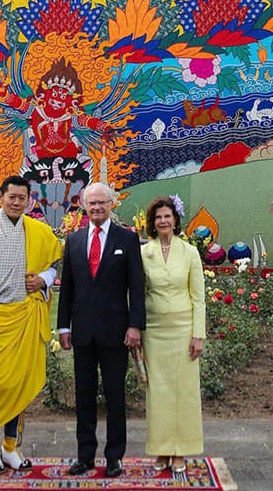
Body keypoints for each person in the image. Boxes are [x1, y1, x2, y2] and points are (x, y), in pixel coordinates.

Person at [0, 175, 62, 472]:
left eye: (22, 198)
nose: (17, 202)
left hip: (24, 318)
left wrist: (42, 280)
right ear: (0, 197)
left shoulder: (38, 231)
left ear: (29, 200)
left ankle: (11, 448)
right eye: (12, 197)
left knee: (18, 386)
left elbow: (57, 261)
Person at [57, 182, 145, 479]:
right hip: (82, 332)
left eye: (102, 203)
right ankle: (85, 456)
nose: (96, 207)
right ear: (84, 205)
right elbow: (66, 287)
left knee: (114, 395)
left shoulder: (128, 239)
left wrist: (135, 325)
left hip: (116, 331)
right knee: (84, 394)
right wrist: (63, 326)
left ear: (112, 204)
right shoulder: (75, 240)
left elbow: (137, 287)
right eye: (91, 203)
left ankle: (114, 457)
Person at [140, 194, 205, 480]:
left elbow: (199, 298)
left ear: (176, 220)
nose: (163, 221)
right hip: (154, 330)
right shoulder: (144, 252)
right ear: (152, 223)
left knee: (184, 393)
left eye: (167, 216)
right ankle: (162, 450)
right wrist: (137, 333)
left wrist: (198, 334)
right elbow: (138, 293)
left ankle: (181, 450)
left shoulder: (190, 252)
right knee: (159, 393)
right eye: (158, 217)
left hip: (183, 328)